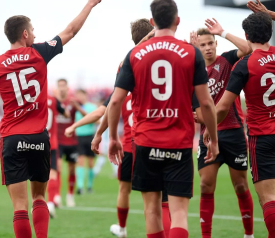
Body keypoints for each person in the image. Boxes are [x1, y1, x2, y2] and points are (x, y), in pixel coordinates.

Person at [0, 1, 102, 237]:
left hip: (12, 139)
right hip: (38, 137)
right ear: (25, 33)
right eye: (33, 30)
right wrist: (90, 4)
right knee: (39, 198)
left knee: (19, 206)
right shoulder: (38, 52)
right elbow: (71, 31)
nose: (35, 34)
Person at [107, 1, 219, 238]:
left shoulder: (135, 54)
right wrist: (214, 139)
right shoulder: (191, 52)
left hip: (146, 142)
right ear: (177, 21)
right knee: (178, 213)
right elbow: (207, 103)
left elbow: (115, 101)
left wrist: (113, 138)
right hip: (179, 142)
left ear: (152, 22)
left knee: (152, 210)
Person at [65, 19, 173, 238]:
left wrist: (82, 128)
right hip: (161, 140)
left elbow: (105, 110)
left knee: (127, 190)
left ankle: (122, 228)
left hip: (130, 146)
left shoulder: (125, 72)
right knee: (162, 200)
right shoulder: (163, 70)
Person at [203, 12, 275, 238]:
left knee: (269, 199)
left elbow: (223, 107)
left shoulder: (243, 65)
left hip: (261, 137)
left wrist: (209, 128)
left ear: (246, 35)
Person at [190, 19, 254, 238]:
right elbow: (197, 113)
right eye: (202, 45)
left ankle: (248, 234)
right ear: (197, 48)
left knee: (240, 186)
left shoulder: (226, 60)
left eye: (210, 43)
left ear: (215, 44)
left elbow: (247, 48)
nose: (207, 48)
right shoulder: (193, 74)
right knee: (206, 186)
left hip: (234, 131)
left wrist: (223, 32)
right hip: (207, 136)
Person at [56, 79, 87, 207]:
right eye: (60, 86)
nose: (62, 88)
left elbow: (86, 115)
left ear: (68, 88)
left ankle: (70, 196)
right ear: (57, 88)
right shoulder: (53, 101)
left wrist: (77, 106)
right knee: (57, 168)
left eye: (64, 86)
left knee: (71, 170)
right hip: (57, 141)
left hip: (72, 141)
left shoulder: (73, 101)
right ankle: (56, 195)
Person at [46, 94, 69, 218]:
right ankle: (50, 203)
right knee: (53, 173)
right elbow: (66, 114)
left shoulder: (31, 98)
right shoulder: (53, 99)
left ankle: (37, 204)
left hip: (35, 141)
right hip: (52, 143)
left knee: (36, 175)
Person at [73, 89, 97, 194]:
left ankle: (90, 186)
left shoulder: (91, 107)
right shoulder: (74, 108)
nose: (79, 97)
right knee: (81, 161)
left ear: (85, 95)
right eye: (77, 95)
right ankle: (80, 186)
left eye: (81, 95)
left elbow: (96, 119)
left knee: (91, 163)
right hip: (79, 137)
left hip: (90, 136)